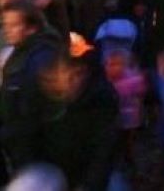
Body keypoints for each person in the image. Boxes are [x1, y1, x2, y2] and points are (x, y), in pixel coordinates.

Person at [31, 52, 120, 191]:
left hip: (88, 177)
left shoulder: (101, 101)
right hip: (57, 176)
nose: (71, 80)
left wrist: (89, 185)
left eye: (76, 74)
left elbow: (104, 150)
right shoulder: (48, 102)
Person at [0, 0, 62, 173]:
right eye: (5, 25)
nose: (6, 30)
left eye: (14, 25)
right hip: (20, 143)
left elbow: (37, 108)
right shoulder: (21, 52)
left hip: (33, 148)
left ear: (31, 27)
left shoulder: (41, 58)